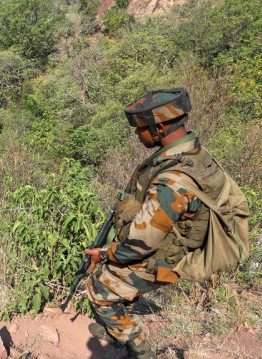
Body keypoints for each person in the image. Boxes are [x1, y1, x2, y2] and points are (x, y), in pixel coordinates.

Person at [84, 88, 238, 359]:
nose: (137, 133)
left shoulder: (173, 181)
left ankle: (141, 350)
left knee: (98, 288)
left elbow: (138, 246)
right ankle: (116, 320)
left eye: (141, 128)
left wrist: (104, 254)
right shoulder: (193, 153)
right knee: (110, 270)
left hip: (163, 259)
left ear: (161, 126)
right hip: (173, 244)